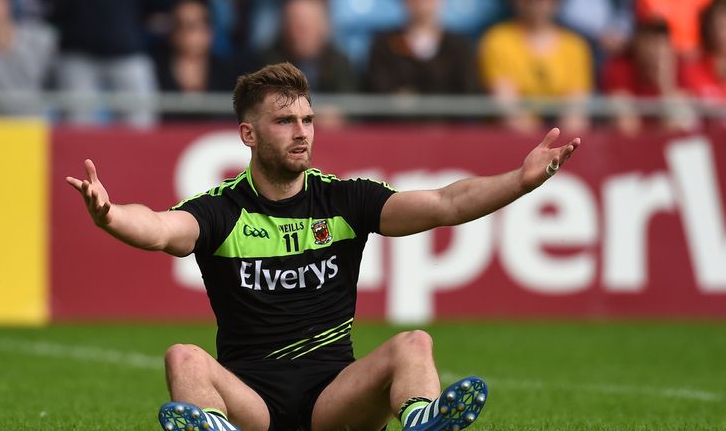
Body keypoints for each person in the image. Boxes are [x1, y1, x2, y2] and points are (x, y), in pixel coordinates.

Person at [66, 63, 580, 431]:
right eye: (284, 121)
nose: (302, 133)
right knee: (184, 358)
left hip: (334, 403)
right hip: (254, 407)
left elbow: (446, 203)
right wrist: (109, 215)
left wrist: (520, 181)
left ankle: (423, 421)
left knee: (413, 344)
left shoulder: (345, 199)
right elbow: (157, 229)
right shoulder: (219, 210)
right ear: (249, 133)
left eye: (308, 120)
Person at [478, 0, 593, 133]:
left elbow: (576, 114)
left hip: (561, 143)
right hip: (513, 141)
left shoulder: (575, 47)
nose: (537, 1)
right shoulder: (497, 40)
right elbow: (507, 108)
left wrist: (556, 144)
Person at [365, 0, 478, 95]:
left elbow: (468, 93)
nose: (422, 2)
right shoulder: (384, 45)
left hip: (447, 120)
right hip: (399, 120)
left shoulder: (458, 47)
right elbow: (378, 91)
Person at [602, 19, 696, 134]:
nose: (655, 50)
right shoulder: (620, 69)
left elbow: (683, 125)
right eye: (649, 42)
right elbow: (627, 126)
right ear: (637, 45)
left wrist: (665, 84)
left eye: (660, 43)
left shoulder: (679, 68)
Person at [153, 0, 234, 122]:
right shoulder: (155, 69)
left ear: (210, 32)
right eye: (180, 25)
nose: (187, 33)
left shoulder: (229, 71)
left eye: (193, 26)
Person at [681, 0, 726, 128]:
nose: (720, 32)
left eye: (724, 25)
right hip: (704, 140)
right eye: (716, 25)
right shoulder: (690, 69)